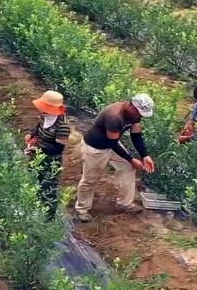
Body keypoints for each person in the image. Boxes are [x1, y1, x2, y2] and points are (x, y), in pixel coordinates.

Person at [74, 94, 156, 222]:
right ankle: (82, 208)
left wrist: (144, 155)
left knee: (128, 167)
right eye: (139, 113)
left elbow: (136, 135)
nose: (140, 117)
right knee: (90, 179)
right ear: (132, 106)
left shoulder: (135, 116)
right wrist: (131, 159)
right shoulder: (114, 116)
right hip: (95, 148)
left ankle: (124, 203)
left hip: (113, 144)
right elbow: (111, 142)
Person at [25, 91, 70, 217]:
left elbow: (58, 148)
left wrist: (37, 148)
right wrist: (32, 135)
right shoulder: (44, 116)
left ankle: (48, 218)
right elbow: (39, 127)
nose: (41, 111)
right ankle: (34, 208)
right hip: (38, 157)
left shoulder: (63, 126)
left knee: (48, 188)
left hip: (50, 162)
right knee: (34, 182)